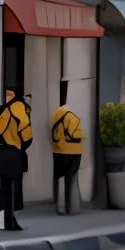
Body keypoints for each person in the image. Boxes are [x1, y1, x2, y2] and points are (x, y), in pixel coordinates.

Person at [0, 88, 32, 231]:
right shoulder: (18, 107)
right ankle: (9, 222)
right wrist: (24, 144)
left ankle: (0, 221)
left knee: (4, 189)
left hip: (0, 151)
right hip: (14, 152)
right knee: (12, 190)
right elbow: (26, 132)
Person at [50, 80, 84, 215]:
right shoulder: (73, 115)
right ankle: (72, 208)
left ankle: (60, 207)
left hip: (59, 150)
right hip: (75, 151)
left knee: (59, 177)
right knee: (72, 178)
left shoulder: (57, 113)